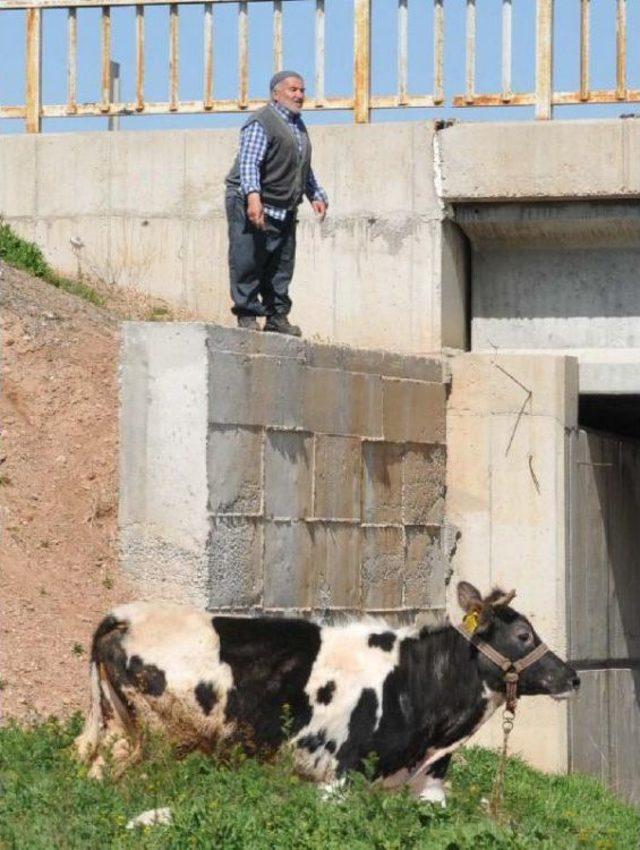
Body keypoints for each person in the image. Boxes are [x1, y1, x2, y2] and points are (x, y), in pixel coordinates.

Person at [225, 71, 328, 336]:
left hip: (283, 205)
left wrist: (315, 194)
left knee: (281, 264)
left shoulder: (297, 126)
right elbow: (250, 163)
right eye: (293, 90)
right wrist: (253, 198)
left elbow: (301, 165)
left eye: (302, 90)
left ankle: (276, 317)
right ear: (276, 93)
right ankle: (247, 314)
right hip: (252, 199)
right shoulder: (262, 121)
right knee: (248, 258)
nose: (299, 95)